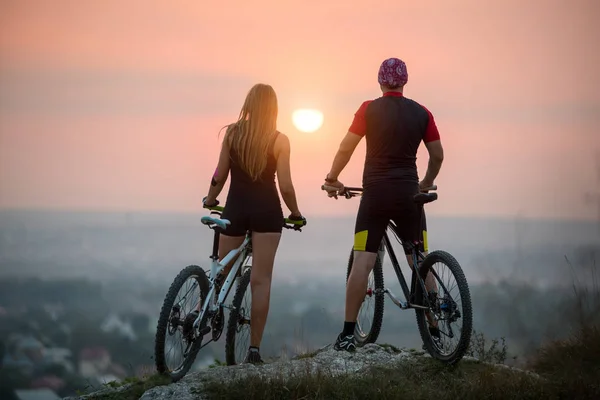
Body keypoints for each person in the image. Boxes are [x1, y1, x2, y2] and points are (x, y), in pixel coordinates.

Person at [322, 57, 444, 352]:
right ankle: (436, 333)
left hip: (375, 196)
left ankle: (348, 334)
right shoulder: (422, 113)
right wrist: (426, 181)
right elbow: (437, 155)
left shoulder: (368, 109)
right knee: (419, 258)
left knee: (363, 260)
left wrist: (332, 177)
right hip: (409, 197)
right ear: (404, 82)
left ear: (380, 81)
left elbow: (345, 147)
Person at [193, 83, 306, 364]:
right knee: (261, 281)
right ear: (274, 109)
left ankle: (202, 310)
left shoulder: (233, 133)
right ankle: (253, 351)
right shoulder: (280, 140)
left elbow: (219, 173)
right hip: (267, 213)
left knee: (219, 272)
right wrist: (295, 212)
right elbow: (287, 186)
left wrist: (210, 197)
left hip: (236, 209)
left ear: (248, 105)